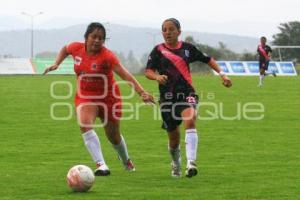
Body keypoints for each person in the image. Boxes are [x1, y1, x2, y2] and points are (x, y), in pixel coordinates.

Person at [43, 22, 154, 176]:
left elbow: (124, 74)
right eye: (94, 37)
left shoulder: (107, 56)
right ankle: (101, 165)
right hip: (86, 96)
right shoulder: (76, 48)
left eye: (100, 38)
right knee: (84, 123)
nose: (97, 41)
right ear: (86, 37)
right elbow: (65, 48)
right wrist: (56, 63)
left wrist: (141, 92)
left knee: (114, 137)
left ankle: (126, 160)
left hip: (109, 98)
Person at [144, 18, 232, 178]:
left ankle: (191, 162)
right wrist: (157, 77)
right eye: (164, 29)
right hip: (167, 98)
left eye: (171, 29)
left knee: (190, 119)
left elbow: (208, 59)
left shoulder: (188, 48)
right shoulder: (157, 50)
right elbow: (148, 71)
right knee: (173, 139)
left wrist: (222, 74)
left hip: (187, 93)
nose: (167, 32)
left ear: (179, 31)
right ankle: (176, 163)